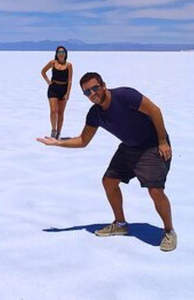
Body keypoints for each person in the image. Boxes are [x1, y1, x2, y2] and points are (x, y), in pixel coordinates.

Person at [36, 72, 177, 252]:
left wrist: (163, 141)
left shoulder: (125, 96)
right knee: (109, 181)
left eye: (95, 88)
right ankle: (120, 223)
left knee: (155, 189)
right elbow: (83, 140)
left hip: (152, 145)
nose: (92, 94)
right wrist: (58, 142)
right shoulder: (95, 114)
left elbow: (155, 111)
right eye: (87, 92)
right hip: (129, 147)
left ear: (103, 85)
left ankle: (169, 231)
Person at [40, 46, 73, 139]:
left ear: (66, 54)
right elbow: (43, 72)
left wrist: (68, 93)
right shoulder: (52, 63)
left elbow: (70, 80)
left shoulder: (69, 65)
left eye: (63, 52)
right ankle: (53, 130)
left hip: (63, 89)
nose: (61, 54)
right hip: (53, 88)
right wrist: (48, 81)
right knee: (53, 111)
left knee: (61, 113)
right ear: (56, 54)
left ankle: (58, 133)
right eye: (59, 52)